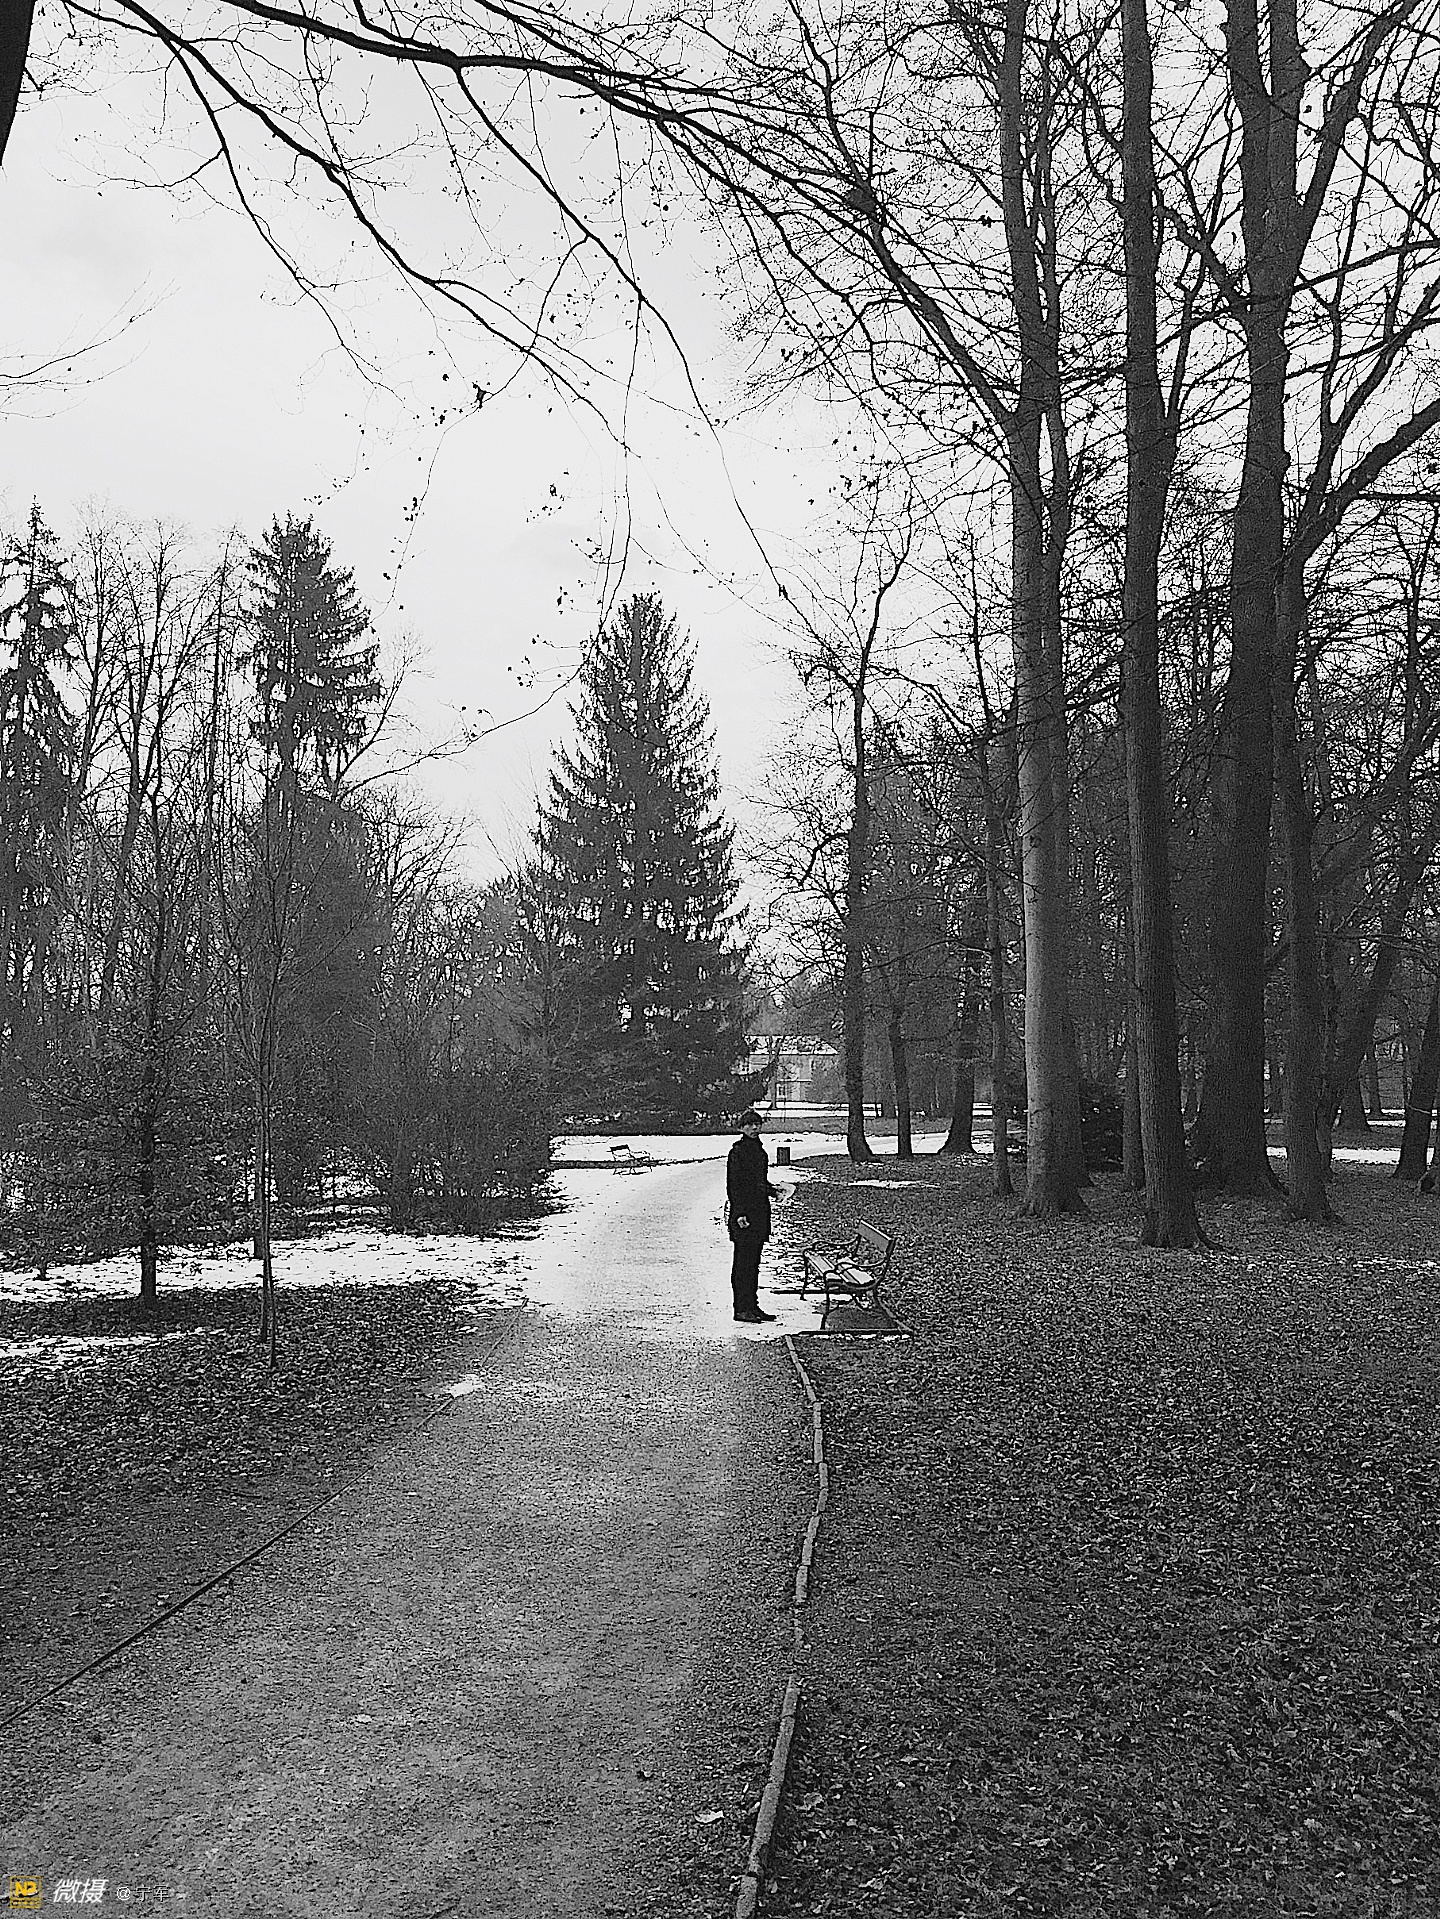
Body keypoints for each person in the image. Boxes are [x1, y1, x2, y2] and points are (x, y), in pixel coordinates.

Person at [726, 1108, 779, 1324]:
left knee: (753, 1263)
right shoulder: (738, 1152)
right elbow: (734, 1186)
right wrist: (739, 1213)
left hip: (759, 1212)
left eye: (757, 1124)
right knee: (743, 1263)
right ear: (742, 1128)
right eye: (749, 1125)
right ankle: (741, 1308)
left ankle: (752, 1305)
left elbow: (758, 1182)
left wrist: (774, 1191)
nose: (754, 1128)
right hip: (744, 1215)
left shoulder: (760, 1151)